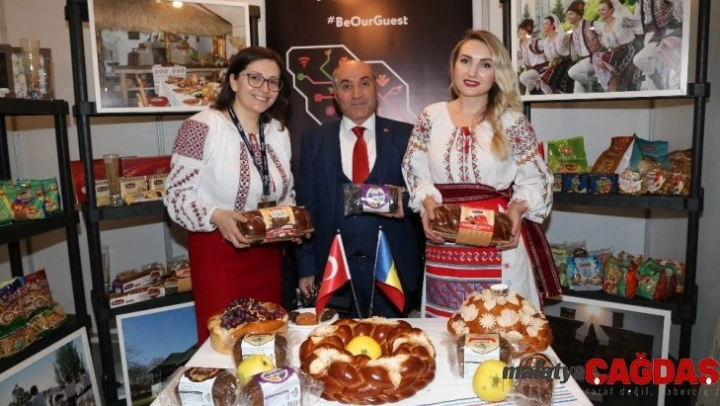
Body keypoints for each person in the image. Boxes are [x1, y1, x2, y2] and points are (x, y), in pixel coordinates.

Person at [401, 30, 561, 317]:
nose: (472, 72)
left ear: (497, 74)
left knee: (498, 327)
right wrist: (426, 201)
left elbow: (538, 178)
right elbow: (414, 168)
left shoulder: (512, 122)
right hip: (444, 239)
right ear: (453, 65)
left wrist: (517, 209)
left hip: (498, 242)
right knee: (447, 329)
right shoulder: (430, 116)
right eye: (465, 61)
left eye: (485, 64)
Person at [165, 47, 294, 343]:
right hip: (219, 254)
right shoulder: (201, 127)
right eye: (254, 78)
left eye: (273, 82)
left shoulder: (278, 132)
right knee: (225, 342)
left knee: (266, 338)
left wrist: (289, 219)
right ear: (234, 81)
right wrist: (216, 215)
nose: (264, 88)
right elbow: (176, 197)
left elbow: (286, 192)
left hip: (268, 255)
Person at [295, 60, 422, 318]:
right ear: (334, 93)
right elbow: (306, 208)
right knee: (336, 342)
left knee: (395, 341)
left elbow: (422, 197)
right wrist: (306, 267)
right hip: (334, 273)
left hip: (392, 270)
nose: (356, 94)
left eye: (364, 83)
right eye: (346, 86)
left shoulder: (406, 135)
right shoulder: (314, 140)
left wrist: (388, 200)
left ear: (375, 87)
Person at [591, 0, 643, 92]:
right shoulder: (602, 27)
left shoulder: (621, 20)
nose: (600, 12)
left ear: (611, 10)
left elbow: (636, 23)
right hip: (617, 55)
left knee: (628, 82)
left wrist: (639, 6)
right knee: (612, 83)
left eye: (603, 9)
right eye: (599, 10)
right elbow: (606, 45)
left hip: (630, 51)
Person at [633, 0, 683, 90]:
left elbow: (680, 12)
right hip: (651, 36)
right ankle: (660, 85)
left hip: (668, 32)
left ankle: (664, 84)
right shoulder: (640, 2)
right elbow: (636, 22)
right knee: (646, 68)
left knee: (640, 59)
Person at [521, 15, 574, 95]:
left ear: (553, 25)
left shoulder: (561, 37)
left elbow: (567, 51)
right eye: (543, 24)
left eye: (546, 23)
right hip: (554, 66)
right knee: (544, 83)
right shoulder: (546, 41)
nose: (543, 26)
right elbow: (548, 57)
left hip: (565, 65)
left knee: (552, 84)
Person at [565, 0, 604, 93]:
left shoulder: (591, 24)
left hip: (595, 59)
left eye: (571, 14)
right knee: (577, 94)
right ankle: (589, 90)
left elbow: (606, 29)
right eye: (568, 14)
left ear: (579, 15)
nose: (568, 16)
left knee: (572, 72)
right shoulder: (571, 31)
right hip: (583, 62)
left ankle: (590, 83)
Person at [516, 19, 549, 95]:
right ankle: (536, 93)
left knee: (523, 77)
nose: (520, 32)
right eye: (520, 30)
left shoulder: (536, 42)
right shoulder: (521, 46)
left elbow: (549, 45)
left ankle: (536, 94)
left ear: (528, 31)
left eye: (522, 30)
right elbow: (521, 60)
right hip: (533, 72)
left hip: (542, 70)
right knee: (527, 97)